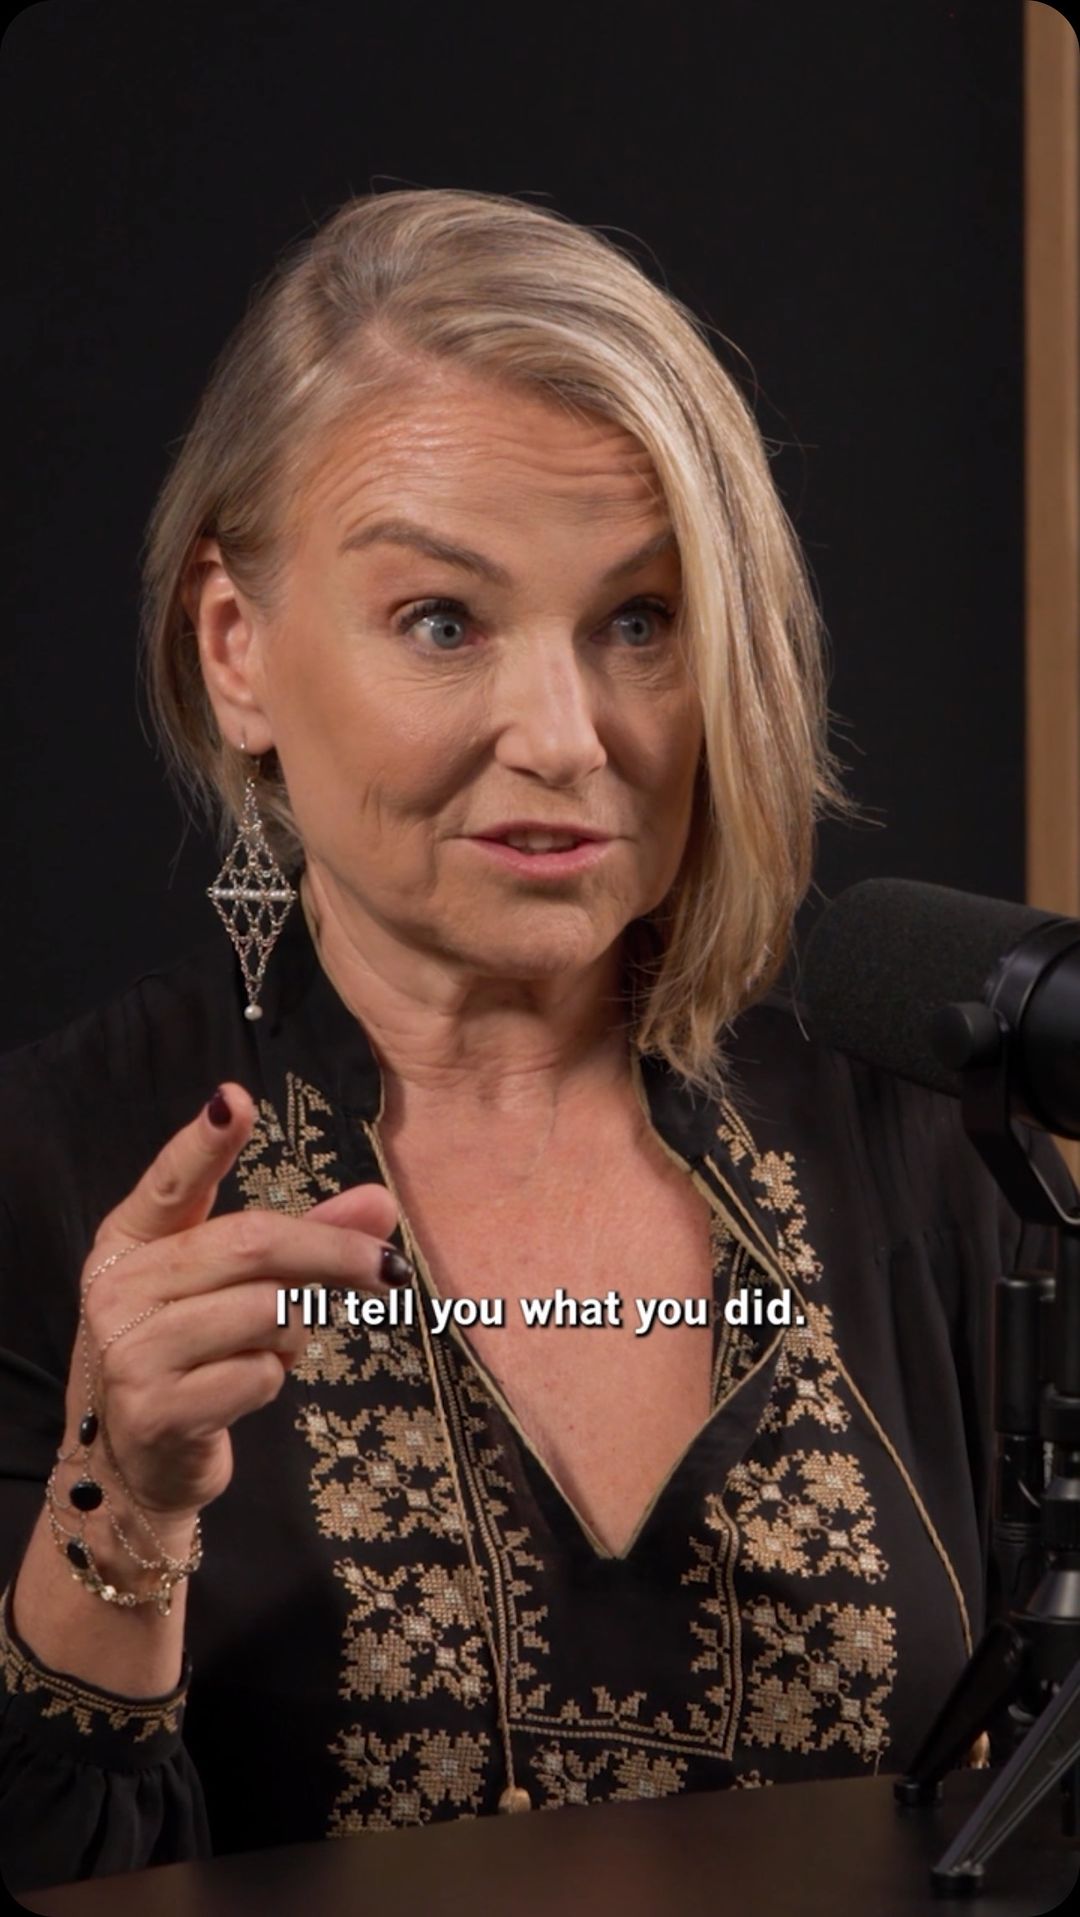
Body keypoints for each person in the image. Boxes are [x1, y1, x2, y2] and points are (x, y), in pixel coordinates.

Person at [0, 187, 1069, 1896]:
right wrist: (119, 1509)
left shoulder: (929, 1145)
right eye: (444, 620)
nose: (566, 736)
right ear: (237, 650)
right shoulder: (48, 1176)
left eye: (639, 621)